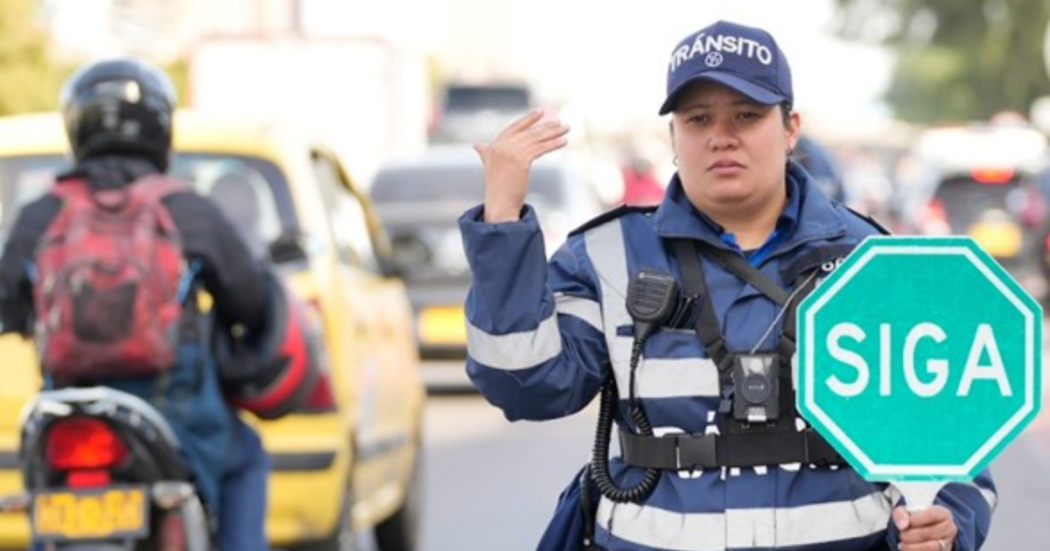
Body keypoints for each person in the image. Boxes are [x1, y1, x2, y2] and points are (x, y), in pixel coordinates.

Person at [459, 20, 995, 551]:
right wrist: (502, 219)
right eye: (698, 119)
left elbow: (958, 450)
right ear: (673, 136)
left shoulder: (875, 261)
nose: (722, 136)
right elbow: (524, 384)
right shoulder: (605, 256)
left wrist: (945, 524)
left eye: (747, 115)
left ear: (791, 128)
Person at [0, 57, 272, 550]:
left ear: (76, 124)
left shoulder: (42, 212)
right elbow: (251, 300)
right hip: (178, 413)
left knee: (48, 489)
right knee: (247, 458)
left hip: (68, 407)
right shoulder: (187, 208)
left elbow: (6, 302)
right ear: (162, 127)